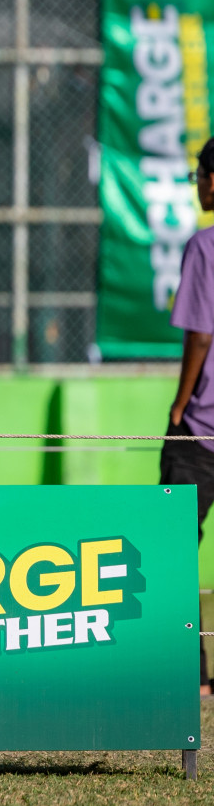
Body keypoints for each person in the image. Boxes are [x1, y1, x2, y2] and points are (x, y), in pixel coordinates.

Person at [159, 136, 214, 698]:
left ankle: (193, 674)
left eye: (199, 175)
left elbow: (201, 333)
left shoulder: (205, 246)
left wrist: (179, 406)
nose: (197, 186)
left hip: (202, 429)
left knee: (175, 547)